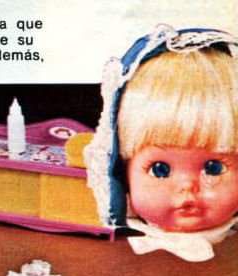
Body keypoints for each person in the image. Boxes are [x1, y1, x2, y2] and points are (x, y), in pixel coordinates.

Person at [85, 25, 238, 261]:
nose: (187, 187)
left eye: (213, 168)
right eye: (160, 169)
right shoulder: (116, 246)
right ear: (124, 172)